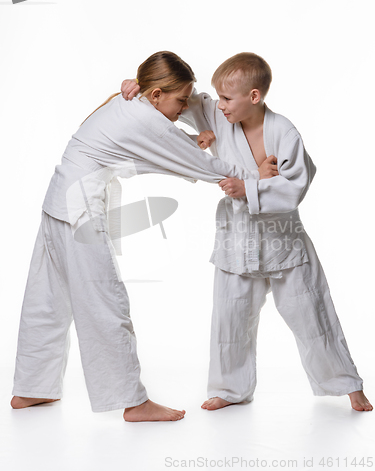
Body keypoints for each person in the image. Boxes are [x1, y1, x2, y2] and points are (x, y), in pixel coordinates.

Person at [121, 52, 373, 412]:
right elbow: (174, 97)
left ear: (253, 97)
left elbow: (297, 185)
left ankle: (349, 385)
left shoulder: (284, 131)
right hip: (236, 235)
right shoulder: (216, 113)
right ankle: (230, 388)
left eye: (226, 98)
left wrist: (249, 188)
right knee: (230, 314)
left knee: (311, 312)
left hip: (283, 239)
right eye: (217, 97)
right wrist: (138, 88)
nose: (218, 105)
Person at [11, 51, 254, 422]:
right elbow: (199, 164)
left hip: (58, 200)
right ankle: (133, 401)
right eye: (180, 101)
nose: (183, 107)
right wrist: (255, 176)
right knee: (106, 302)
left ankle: (31, 389)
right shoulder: (145, 118)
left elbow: (159, 142)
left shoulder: (129, 104)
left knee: (47, 298)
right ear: (155, 95)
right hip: (79, 210)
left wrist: (191, 138)